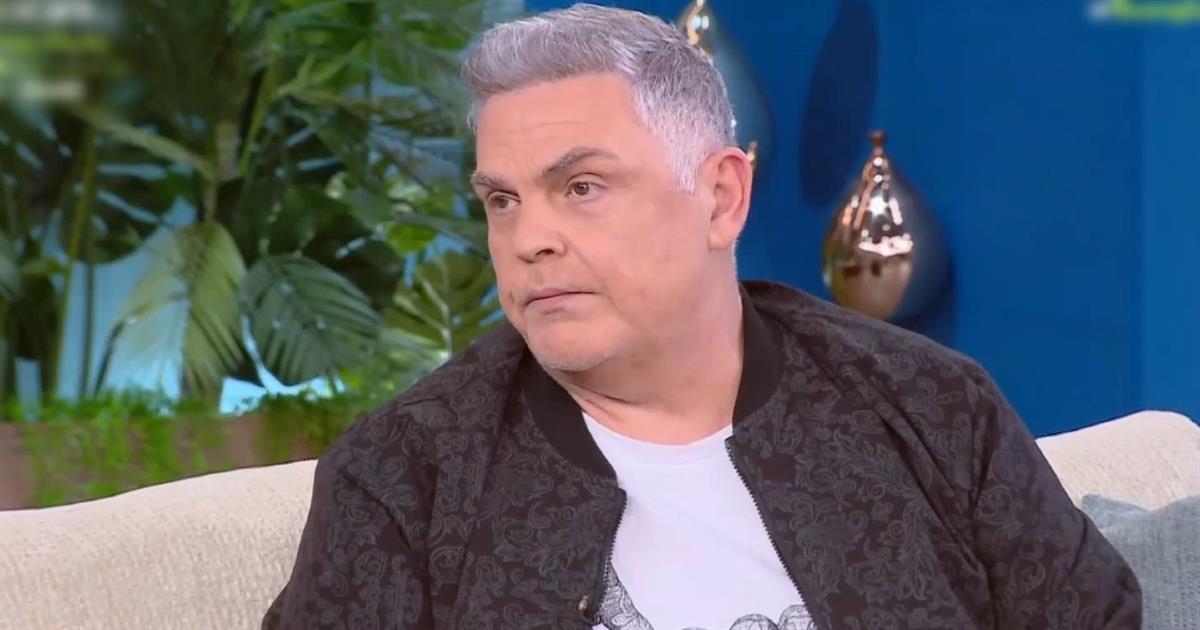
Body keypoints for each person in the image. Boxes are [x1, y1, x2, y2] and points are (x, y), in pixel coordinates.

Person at [263, 4, 1141, 629]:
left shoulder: (930, 406)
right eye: (502, 200)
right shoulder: (406, 475)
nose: (529, 239)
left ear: (721, 197)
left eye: (582, 187)